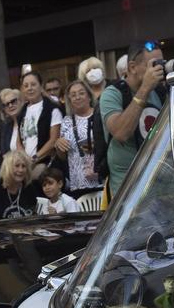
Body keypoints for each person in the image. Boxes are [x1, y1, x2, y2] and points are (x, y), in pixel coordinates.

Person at [101, 42, 166, 195]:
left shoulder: (160, 92)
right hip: (129, 191)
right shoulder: (112, 94)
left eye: (161, 63)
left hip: (162, 185)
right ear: (132, 67)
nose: (159, 69)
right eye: (154, 64)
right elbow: (121, 133)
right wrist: (145, 89)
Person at [8, 71, 66, 174]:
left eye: (33, 84)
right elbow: (19, 141)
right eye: (26, 86)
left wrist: (34, 159)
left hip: (46, 163)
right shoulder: (22, 111)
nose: (29, 88)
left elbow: (53, 140)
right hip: (26, 164)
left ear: (41, 86)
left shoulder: (52, 109)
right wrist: (24, 160)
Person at [59, 80, 106, 199]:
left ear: (89, 96)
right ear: (69, 100)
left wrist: (97, 146)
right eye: (73, 95)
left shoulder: (100, 115)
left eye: (81, 93)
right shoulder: (66, 121)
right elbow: (63, 156)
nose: (77, 97)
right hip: (78, 183)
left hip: (101, 179)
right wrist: (58, 144)